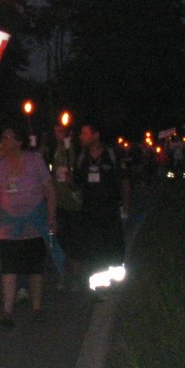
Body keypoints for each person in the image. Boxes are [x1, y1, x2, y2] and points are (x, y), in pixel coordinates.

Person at [0, 125, 57, 327]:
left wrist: (51, 218)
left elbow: (50, 190)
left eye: (8, 137)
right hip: (9, 227)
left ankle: (36, 309)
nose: (4, 141)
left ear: (19, 142)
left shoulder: (34, 160)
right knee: (8, 268)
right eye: (3, 137)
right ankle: (7, 312)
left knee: (35, 270)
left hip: (34, 225)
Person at [74, 121, 131, 293]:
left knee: (114, 247)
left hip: (110, 210)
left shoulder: (112, 155)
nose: (81, 137)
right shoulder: (82, 157)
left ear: (96, 135)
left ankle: (117, 283)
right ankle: (101, 288)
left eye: (85, 133)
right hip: (90, 211)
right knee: (95, 249)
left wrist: (126, 206)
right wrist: (70, 183)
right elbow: (77, 184)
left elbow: (124, 181)